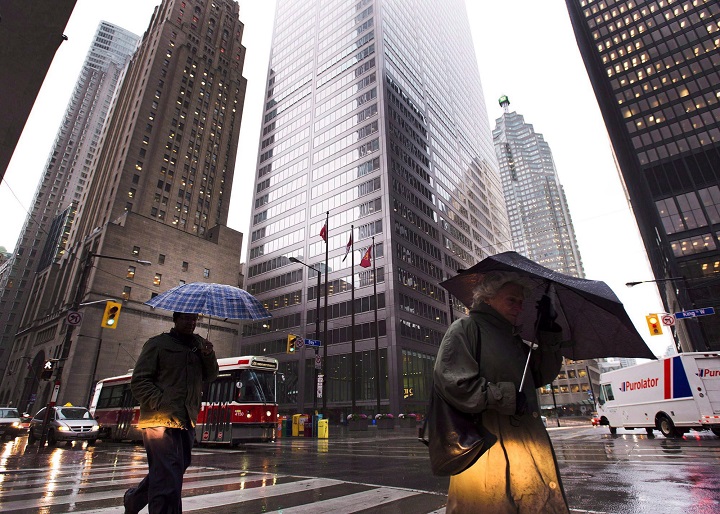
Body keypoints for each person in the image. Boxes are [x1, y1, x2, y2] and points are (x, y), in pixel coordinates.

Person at [434, 271, 569, 513]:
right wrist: (506, 396)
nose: (519, 307)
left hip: (524, 444)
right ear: (488, 298)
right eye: (511, 300)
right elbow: (453, 383)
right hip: (487, 447)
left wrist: (548, 332)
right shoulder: (466, 328)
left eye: (521, 302)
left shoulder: (513, 339)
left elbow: (540, 375)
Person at [124, 312, 219, 514]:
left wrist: (208, 355)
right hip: (159, 420)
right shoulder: (157, 344)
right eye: (186, 318)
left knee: (172, 471)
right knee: (167, 476)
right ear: (175, 320)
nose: (191, 322)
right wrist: (161, 402)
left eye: (194, 319)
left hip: (186, 419)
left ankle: (134, 500)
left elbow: (211, 376)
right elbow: (139, 381)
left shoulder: (200, 345)